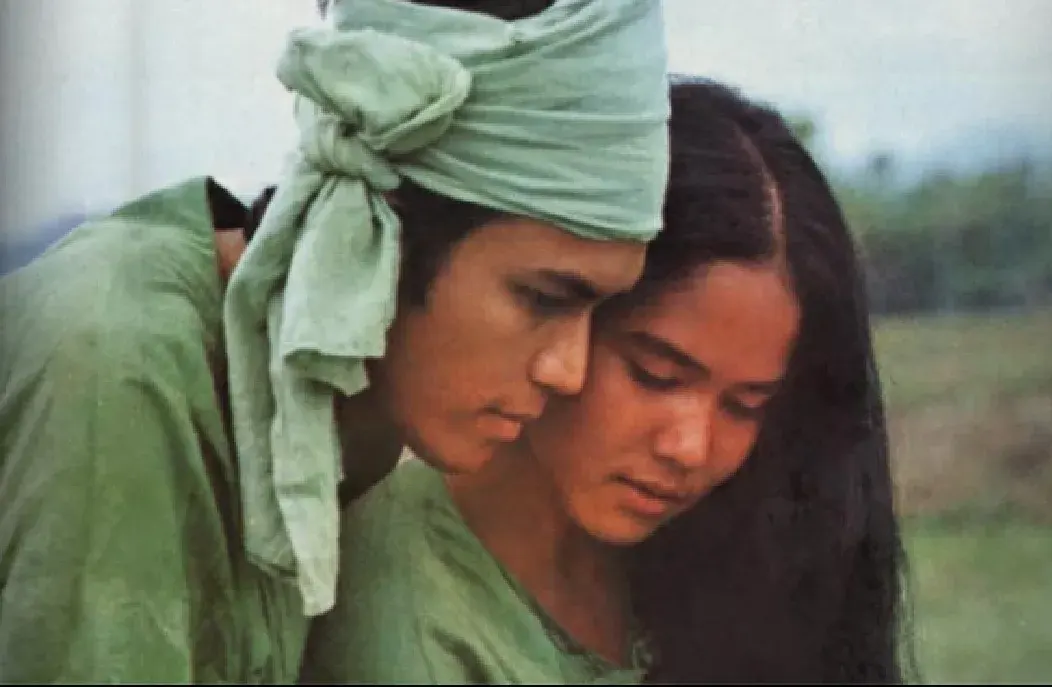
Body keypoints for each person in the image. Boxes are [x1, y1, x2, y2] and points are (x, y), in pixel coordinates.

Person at [0, 0, 671, 682]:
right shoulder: (116, 363)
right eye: (543, 299)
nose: (569, 372)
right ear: (380, 230)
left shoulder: (350, 404)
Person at [300, 78, 912, 684]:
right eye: (656, 376)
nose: (690, 448)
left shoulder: (711, 550)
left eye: (745, 406)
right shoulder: (402, 618)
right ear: (568, 309)